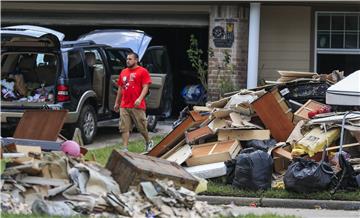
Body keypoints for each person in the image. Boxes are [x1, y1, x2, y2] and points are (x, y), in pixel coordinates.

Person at [114, 52, 153, 152]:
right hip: (124, 104)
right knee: (124, 127)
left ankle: (148, 141)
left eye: (130, 59)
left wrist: (139, 99)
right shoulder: (123, 72)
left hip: (137, 105)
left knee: (141, 127)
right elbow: (120, 88)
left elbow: (145, 87)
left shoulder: (143, 71)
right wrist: (117, 103)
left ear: (136, 60)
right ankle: (125, 148)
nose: (128, 61)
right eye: (127, 59)